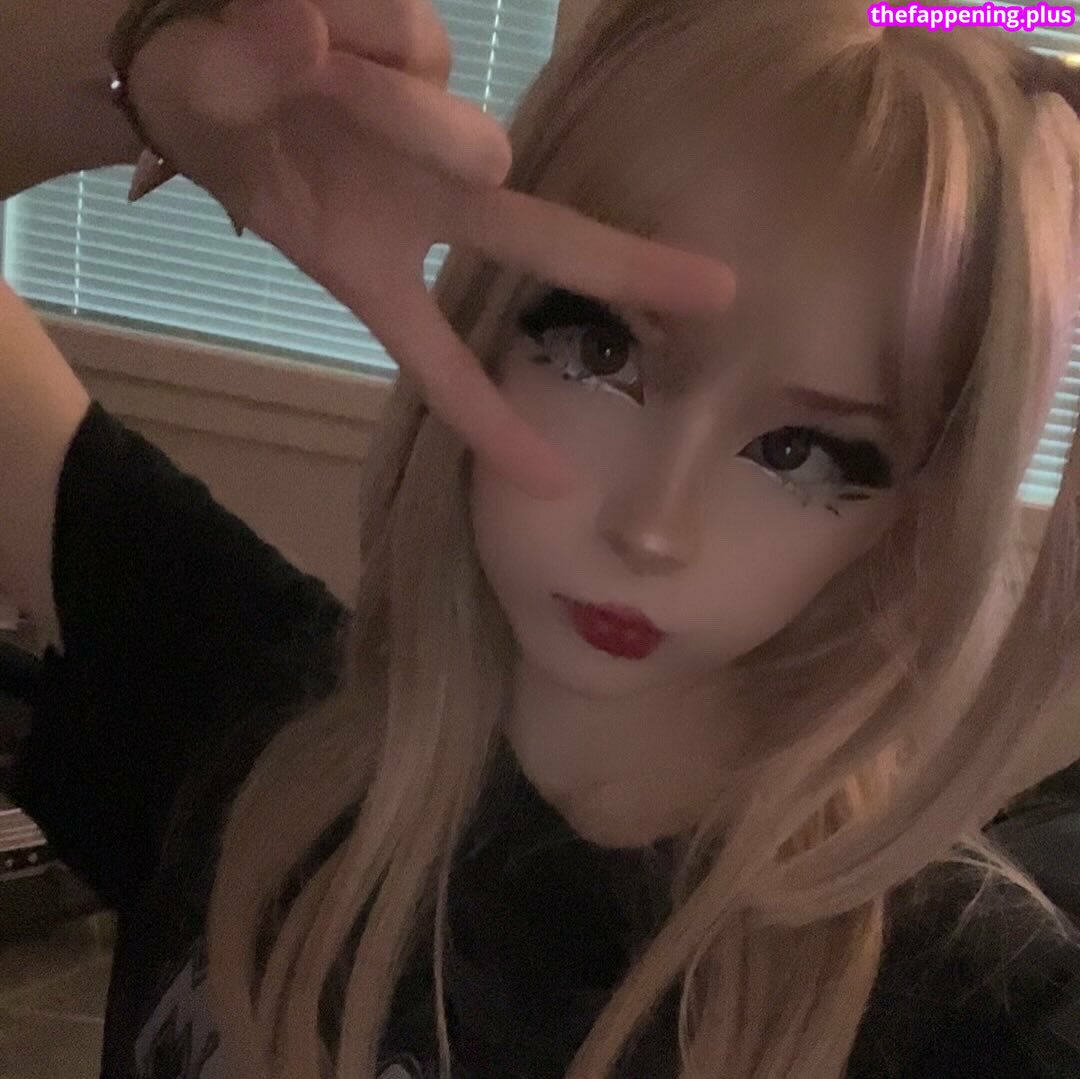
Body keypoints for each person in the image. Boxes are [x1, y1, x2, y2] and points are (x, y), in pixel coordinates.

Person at [3, 0, 1080, 1077]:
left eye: (800, 453)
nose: (652, 528)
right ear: (491, 310)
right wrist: (142, 46)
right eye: (603, 352)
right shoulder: (236, 703)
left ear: (913, 512)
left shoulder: (971, 1005)